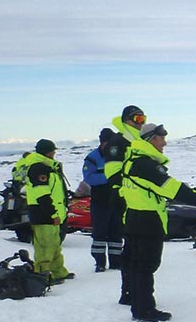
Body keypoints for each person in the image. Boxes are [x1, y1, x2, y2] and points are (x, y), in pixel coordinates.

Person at [120, 122, 196, 322]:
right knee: (146, 265)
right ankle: (144, 309)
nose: (164, 143)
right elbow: (171, 188)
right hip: (147, 220)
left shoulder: (132, 160)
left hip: (133, 217)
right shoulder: (146, 165)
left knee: (133, 262)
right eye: (162, 138)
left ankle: (132, 297)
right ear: (151, 139)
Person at [103, 105, 147, 305]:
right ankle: (129, 292)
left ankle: (131, 291)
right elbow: (113, 173)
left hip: (136, 199)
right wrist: (126, 191)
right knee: (132, 248)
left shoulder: (137, 140)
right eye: (137, 119)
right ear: (127, 120)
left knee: (134, 247)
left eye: (143, 118)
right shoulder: (118, 142)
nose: (141, 123)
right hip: (124, 199)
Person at [24, 139, 74, 283]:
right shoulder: (38, 168)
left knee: (55, 246)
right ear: (47, 152)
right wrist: (52, 214)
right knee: (45, 247)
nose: (54, 153)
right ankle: (42, 275)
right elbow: (42, 195)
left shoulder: (48, 167)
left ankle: (58, 272)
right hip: (43, 214)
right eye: (53, 151)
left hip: (53, 214)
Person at [82, 128, 123, 272]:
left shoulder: (118, 155)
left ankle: (116, 262)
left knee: (116, 233)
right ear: (103, 142)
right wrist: (109, 177)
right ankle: (99, 263)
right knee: (99, 233)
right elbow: (89, 178)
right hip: (100, 202)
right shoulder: (92, 158)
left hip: (117, 200)